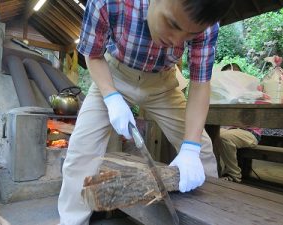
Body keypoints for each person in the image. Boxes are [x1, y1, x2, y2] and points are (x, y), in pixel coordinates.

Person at [58, 0, 234, 224]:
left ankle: (208, 219)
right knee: (80, 153)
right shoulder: (109, 2)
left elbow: (200, 84)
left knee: (202, 151)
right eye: (172, 23)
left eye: (190, 35)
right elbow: (93, 54)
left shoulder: (208, 24)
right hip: (113, 76)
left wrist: (190, 148)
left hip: (163, 83)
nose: (176, 40)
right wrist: (111, 97)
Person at [219, 63, 262, 183]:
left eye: (235, 76)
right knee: (209, 135)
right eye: (227, 77)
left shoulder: (251, 93)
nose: (231, 79)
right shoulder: (222, 94)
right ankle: (215, 171)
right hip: (230, 130)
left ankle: (234, 175)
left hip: (250, 132)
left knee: (223, 136)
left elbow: (253, 120)